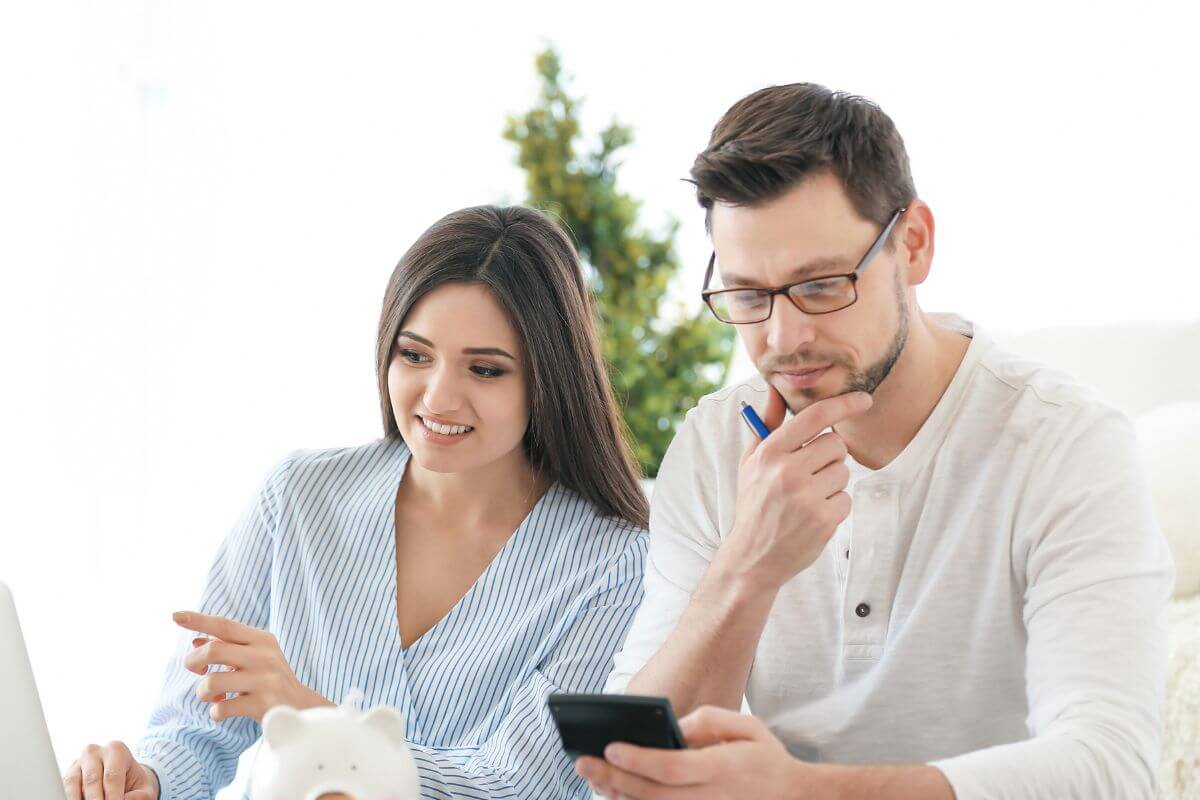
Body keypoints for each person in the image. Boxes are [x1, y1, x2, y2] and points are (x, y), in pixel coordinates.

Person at [579, 84, 1175, 799]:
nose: (782, 339)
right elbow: (627, 762)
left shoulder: (1064, 444)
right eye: (747, 297)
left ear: (913, 245)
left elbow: (1110, 766)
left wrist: (804, 793)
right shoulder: (715, 445)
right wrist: (748, 567)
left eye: (822, 286)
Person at [62, 205, 649, 800]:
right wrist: (145, 778)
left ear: (549, 378)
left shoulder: (614, 564)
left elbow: (523, 788)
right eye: (415, 355)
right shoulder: (298, 496)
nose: (438, 398)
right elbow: (193, 729)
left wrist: (315, 718)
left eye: (485, 369)